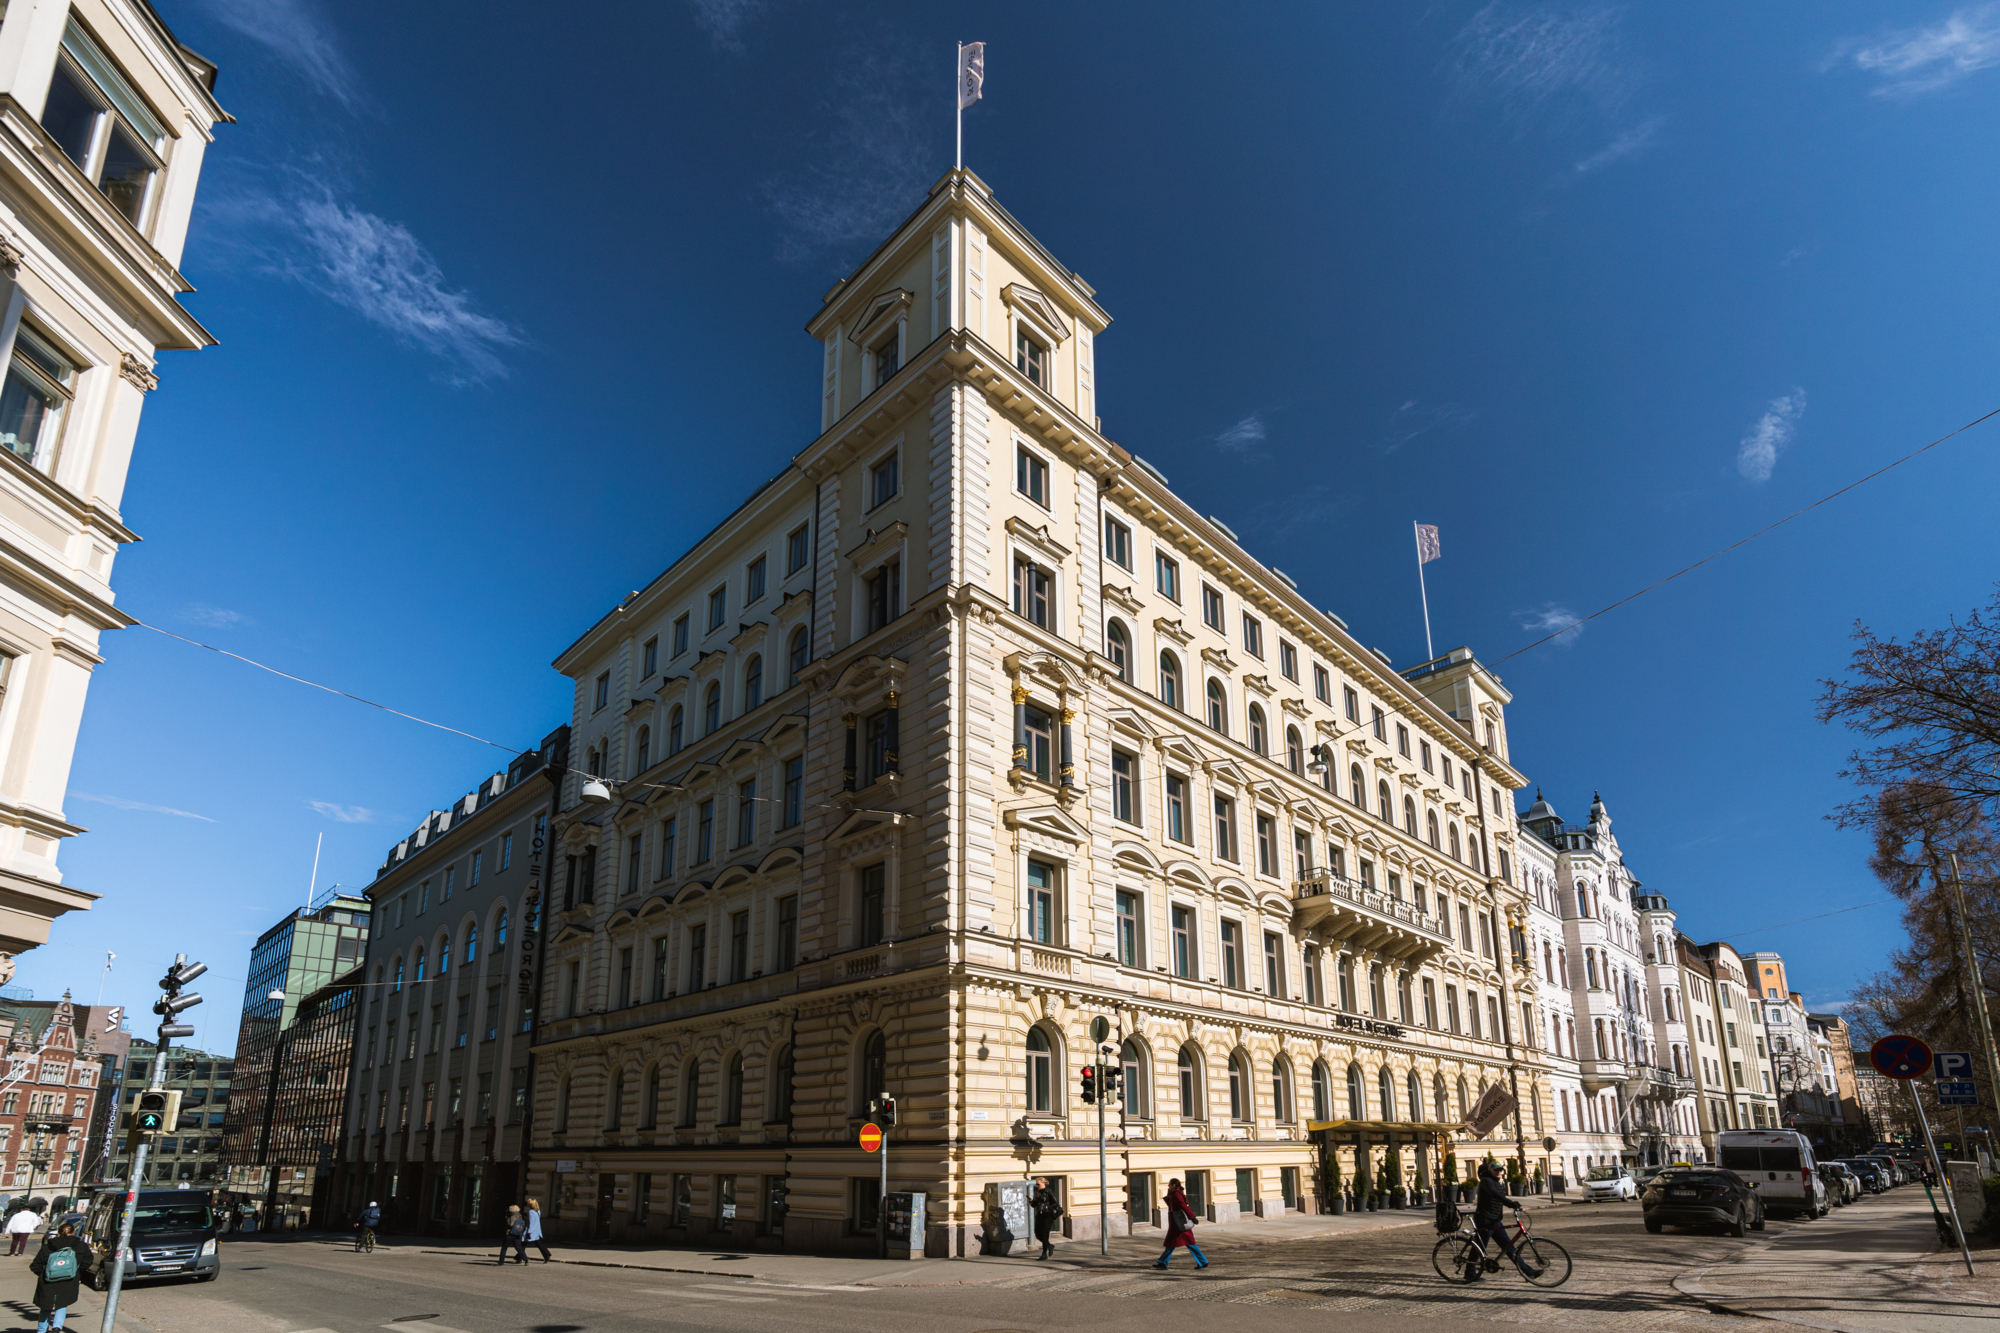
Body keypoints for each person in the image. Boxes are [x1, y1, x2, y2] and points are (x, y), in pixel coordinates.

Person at [1469, 1160, 1538, 1280]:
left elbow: (1500, 1197)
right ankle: (1469, 1273)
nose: (1499, 1172)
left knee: (1509, 1247)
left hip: (1495, 1220)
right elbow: (1495, 1195)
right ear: (1490, 1170)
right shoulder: (1486, 1181)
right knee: (1479, 1248)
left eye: (1500, 1170)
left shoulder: (1496, 1182)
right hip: (1485, 1219)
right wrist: (1510, 1203)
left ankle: (1528, 1271)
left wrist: (1512, 1204)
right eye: (1496, 1170)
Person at [29, 1220, 92, 1333]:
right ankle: (57, 1327)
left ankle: (42, 1330)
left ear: (58, 1233)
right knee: (62, 1303)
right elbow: (88, 1261)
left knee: (45, 1306)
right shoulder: (80, 1246)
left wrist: (44, 1274)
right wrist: (76, 1271)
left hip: (48, 1280)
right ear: (74, 1232)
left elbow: (35, 1266)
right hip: (69, 1279)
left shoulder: (47, 1247)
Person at [1152, 1178, 1208, 1269]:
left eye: (1169, 1185)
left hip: (1178, 1223)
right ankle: (1163, 1262)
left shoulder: (1176, 1194)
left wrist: (1192, 1217)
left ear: (1173, 1185)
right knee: (1177, 1242)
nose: (1168, 1186)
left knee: (1179, 1242)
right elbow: (1171, 1204)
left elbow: (1183, 1206)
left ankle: (1202, 1261)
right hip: (1177, 1222)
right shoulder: (1175, 1194)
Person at [1030, 1177, 1063, 1260]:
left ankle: (1044, 1254)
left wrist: (1048, 1207)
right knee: (1037, 1234)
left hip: (1047, 1215)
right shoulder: (1037, 1193)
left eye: (1038, 1184)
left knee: (1045, 1235)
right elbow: (1034, 1205)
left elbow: (1055, 1203)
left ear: (1044, 1183)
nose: (1037, 1186)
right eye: (1036, 1184)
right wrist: (1031, 1201)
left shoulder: (1048, 1192)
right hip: (1039, 1215)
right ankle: (1050, 1246)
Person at [524, 1198, 550, 1262]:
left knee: (523, 1243)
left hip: (531, 1231)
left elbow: (531, 1222)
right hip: (537, 1231)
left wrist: (529, 1232)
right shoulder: (538, 1211)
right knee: (539, 1244)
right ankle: (547, 1254)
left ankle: (519, 1257)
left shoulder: (531, 1212)